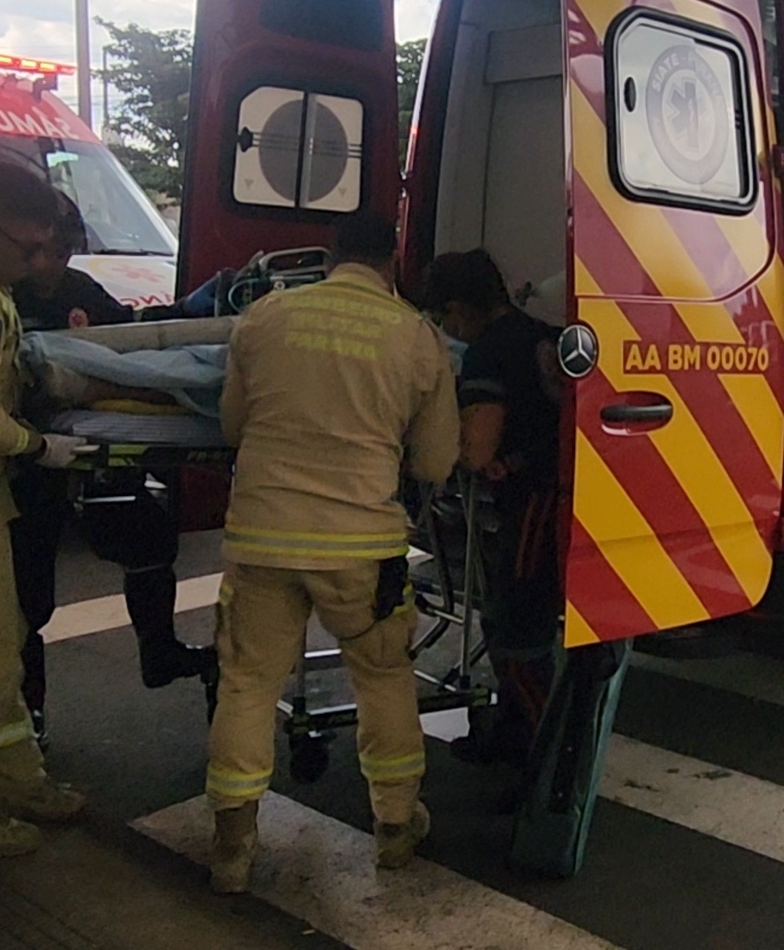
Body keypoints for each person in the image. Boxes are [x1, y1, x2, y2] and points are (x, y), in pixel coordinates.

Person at [206, 211, 459, 893]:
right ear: (392, 260)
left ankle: (232, 844)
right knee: (383, 678)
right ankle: (396, 826)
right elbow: (435, 462)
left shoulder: (265, 317)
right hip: (361, 547)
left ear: (329, 255)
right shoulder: (417, 336)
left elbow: (232, 425)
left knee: (248, 683)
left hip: (262, 535)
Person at [9, 192, 215, 749]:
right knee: (27, 598)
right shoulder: (1, 296)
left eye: (64, 251)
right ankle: (27, 712)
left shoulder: (80, 291)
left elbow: (128, 344)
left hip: (79, 451)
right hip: (22, 462)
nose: (55, 261)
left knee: (147, 533)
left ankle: (159, 650)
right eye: (47, 250)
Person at [0, 161, 87, 857]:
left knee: (3, 642)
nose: (39, 261)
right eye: (28, 247)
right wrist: (39, 445)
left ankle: (18, 780)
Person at [419, 249, 563, 768]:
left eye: (444, 317)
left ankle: (550, 761)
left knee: (516, 630)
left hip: (533, 501)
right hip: (556, 488)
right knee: (515, 619)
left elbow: (476, 449)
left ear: (458, 308)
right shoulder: (538, 334)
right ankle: (513, 732)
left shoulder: (488, 352)